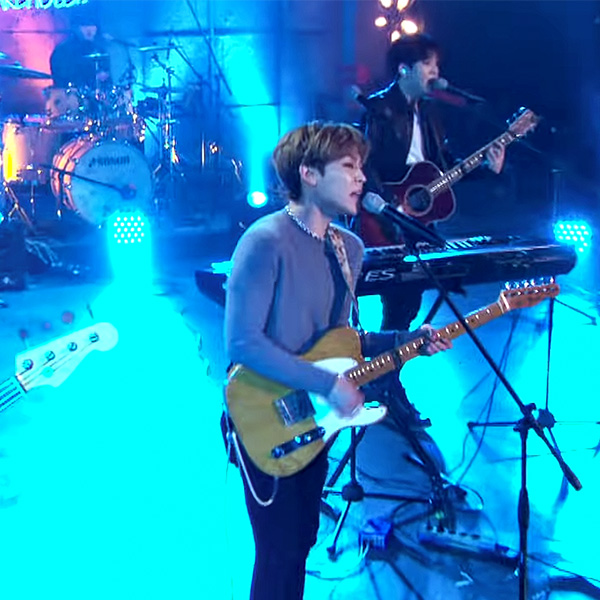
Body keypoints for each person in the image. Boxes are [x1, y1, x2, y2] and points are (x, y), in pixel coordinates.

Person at [224, 121, 451, 600]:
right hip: (264, 412)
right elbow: (242, 342)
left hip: (315, 417)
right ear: (308, 174)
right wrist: (327, 384)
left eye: (361, 167)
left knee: (302, 542)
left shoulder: (350, 248)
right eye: (348, 166)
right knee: (278, 552)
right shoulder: (264, 241)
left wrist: (407, 339)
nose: (362, 177)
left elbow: (343, 341)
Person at [49, 12, 111, 90]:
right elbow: (63, 78)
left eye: (92, 25)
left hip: (95, 94)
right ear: (76, 28)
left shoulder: (100, 50)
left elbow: (107, 80)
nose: (89, 29)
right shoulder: (62, 51)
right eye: (84, 26)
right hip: (70, 94)